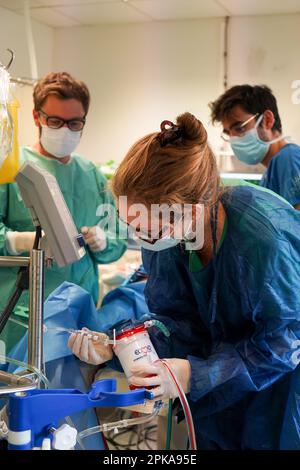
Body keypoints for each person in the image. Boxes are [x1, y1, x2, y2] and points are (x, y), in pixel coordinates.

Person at [69, 112, 300, 450]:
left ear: (193, 208)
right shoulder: (170, 238)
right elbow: (175, 321)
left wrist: (193, 374)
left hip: (281, 398)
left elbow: (286, 340)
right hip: (221, 403)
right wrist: (121, 345)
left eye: (150, 230)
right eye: (134, 228)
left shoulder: (263, 237)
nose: (144, 240)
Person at [0, 72, 127, 351]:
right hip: (24, 313)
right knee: (21, 387)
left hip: (81, 314)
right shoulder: (11, 168)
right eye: (55, 121)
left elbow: (118, 235)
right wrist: (18, 241)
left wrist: (104, 240)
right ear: (36, 117)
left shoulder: (90, 173)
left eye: (75, 123)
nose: (65, 130)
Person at [210, 84, 300, 209]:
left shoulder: (288, 158)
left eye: (239, 128)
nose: (233, 138)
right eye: (228, 132)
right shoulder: (270, 173)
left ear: (267, 120)